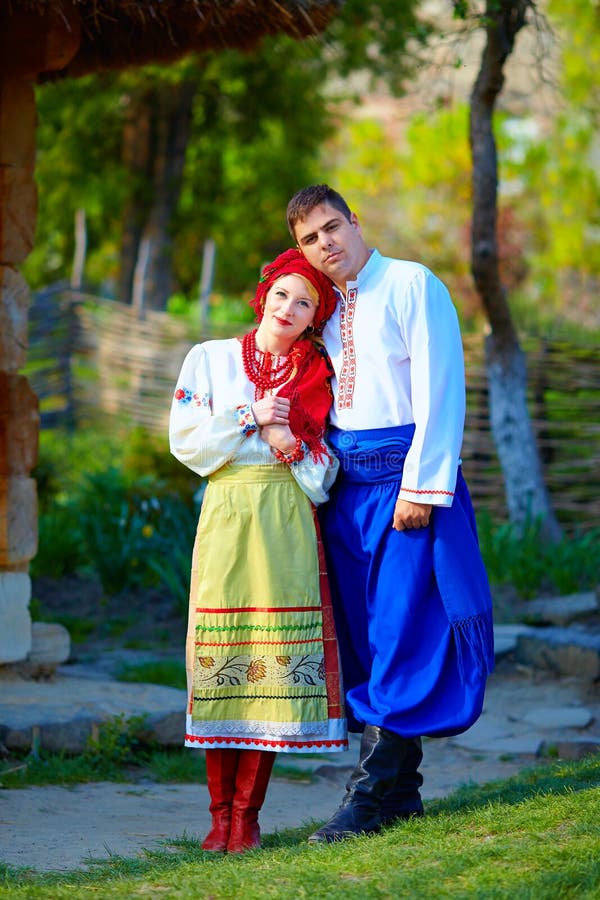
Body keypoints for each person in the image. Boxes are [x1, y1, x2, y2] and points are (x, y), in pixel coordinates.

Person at [285, 184, 495, 843]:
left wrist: (421, 488)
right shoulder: (323, 307)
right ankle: (403, 794)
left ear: (354, 221)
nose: (325, 244)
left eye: (330, 227)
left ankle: (366, 799)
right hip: (348, 492)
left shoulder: (411, 283)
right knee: (371, 639)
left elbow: (441, 387)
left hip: (406, 485)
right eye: (309, 239)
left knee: (405, 629)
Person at [169, 248, 347, 854]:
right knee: (224, 658)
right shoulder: (210, 359)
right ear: (264, 296)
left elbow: (326, 475)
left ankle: (246, 817)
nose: (289, 309)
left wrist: (287, 440)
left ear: (313, 318)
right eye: (283, 296)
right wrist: (249, 415)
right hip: (227, 511)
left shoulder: (316, 373)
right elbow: (186, 441)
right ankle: (217, 815)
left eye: (305, 304)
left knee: (271, 669)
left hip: (286, 519)